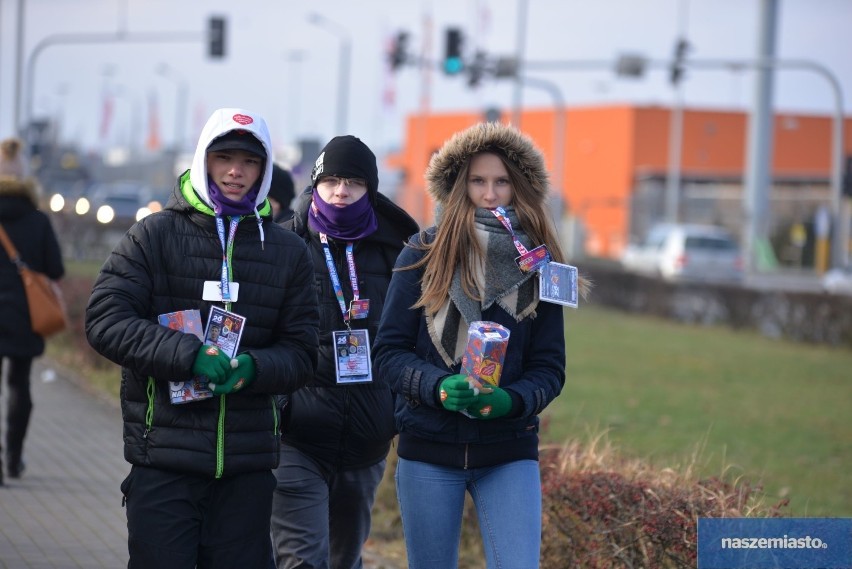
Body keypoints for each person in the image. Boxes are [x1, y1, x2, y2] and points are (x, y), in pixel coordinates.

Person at [85, 108, 320, 568]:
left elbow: (302, 351)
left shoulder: (287, 251)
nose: (236, 171)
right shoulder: (154, 234)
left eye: (250, 162)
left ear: (265, 169)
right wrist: (187, 354)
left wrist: (255, 368)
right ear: (203, 159)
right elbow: (104, 319)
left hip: (247, 469)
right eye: (224, 157)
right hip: (164, 463)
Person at [373, 122, 580, 568]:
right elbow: (388, 353)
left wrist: (511, 401)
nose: (490, 194)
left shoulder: (540, 265)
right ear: (458, 185)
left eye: (502, 181)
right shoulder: (422, 252)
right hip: (428, 448)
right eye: (478, 181)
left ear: (519, 187)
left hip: (509, 451)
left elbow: (550, 367)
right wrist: (437, 388)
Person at [270, 135, 418, 569]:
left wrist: (394, 411)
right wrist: (279, 407)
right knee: (303, 559)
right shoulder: (285, 243)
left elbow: (416, 336)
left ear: (369, 188)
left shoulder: (403, 251)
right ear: (315, 184)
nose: (340, 191)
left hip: (367, 440)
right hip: (298, 436)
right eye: (331, 180)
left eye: (352, 182)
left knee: (344, 560)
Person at [0, 137, 65, 486]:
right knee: (19, 384)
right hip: (24, 313)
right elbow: (55, 269)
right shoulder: (37, 219)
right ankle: (12, 458)